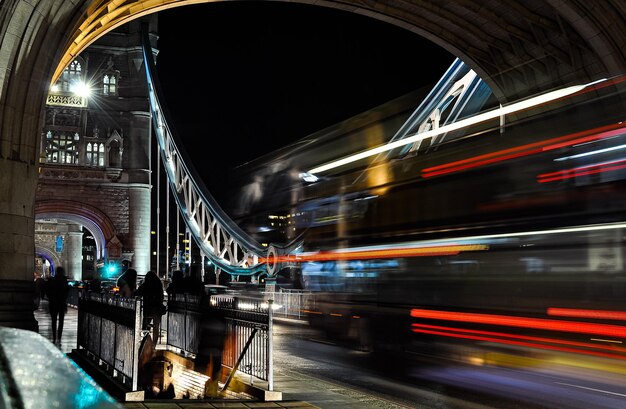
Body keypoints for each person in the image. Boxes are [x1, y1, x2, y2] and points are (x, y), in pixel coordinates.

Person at [195, 289, 227, 398]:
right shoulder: (219, 318)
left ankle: (208, 390)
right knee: (216, 368)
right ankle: (212, 390)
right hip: (217, 347)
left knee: (203, 367)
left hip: (207, 346)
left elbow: (201, 333)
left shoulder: (204, 317)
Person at [135, 270, 165, 343]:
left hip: (148, 308)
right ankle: (154, 342)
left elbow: (138, 292)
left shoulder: (146, 285)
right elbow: (161, 296)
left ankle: (145, 341)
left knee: (146, 325)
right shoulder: (159, 284)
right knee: (156, 326)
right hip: (157, 308)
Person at [46, 266, 69, 344]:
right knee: (61, 321)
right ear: (62, 272)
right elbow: (66, 292)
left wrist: (51, 299)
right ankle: (59, 337)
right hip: (61, 303)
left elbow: (48, 291)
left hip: (53, 303)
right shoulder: (64, 280)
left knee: (53, 321)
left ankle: (54, 337)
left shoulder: (52, 280)